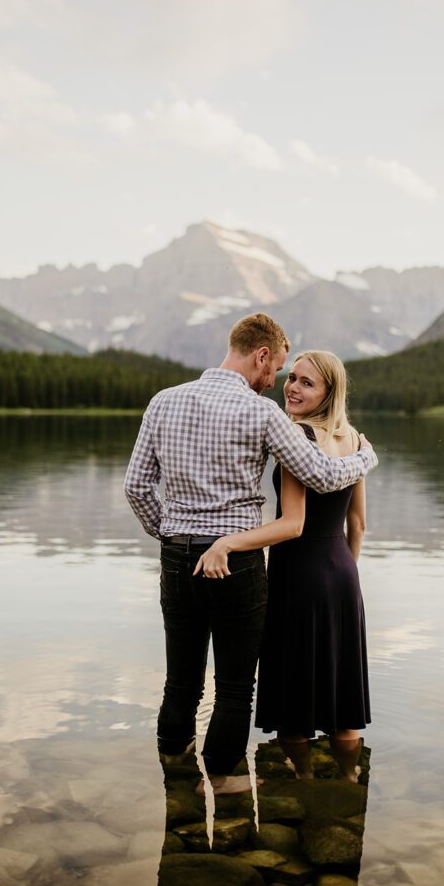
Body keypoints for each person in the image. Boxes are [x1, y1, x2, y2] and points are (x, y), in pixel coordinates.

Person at [124, 316, 377, 791]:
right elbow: (323, 476)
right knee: (236, 687)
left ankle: (176, 779)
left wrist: (172, 536)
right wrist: (365, 456)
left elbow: (136, 487)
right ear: (262, 356)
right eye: (277, 370)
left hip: (178, 558)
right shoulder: (263, 415)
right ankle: (219, 780)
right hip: (236, 564)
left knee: (181, 681)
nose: (275, 383)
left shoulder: (163, 401)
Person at [193, 350, 370, 776]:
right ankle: (348, 779)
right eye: (292, 378)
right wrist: (345, 577)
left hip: (298, 574)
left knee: (296, 699)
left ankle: (303, 782)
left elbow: (293, 523)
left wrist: (229, 543)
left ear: (329, 392)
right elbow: (359, 523)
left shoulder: (298, 438)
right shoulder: (356, 439)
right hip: (344, 572)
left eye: (307, 383)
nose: (292, 387)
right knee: (343, 695)